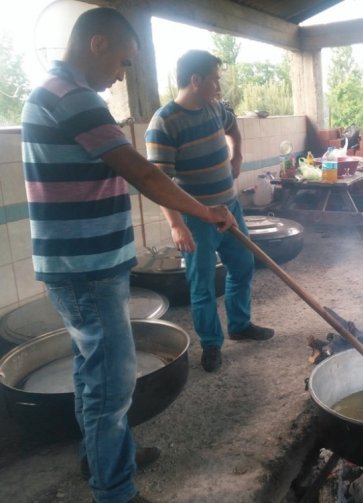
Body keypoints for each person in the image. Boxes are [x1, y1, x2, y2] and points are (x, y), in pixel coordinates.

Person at [20, 8, 236, 503]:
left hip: (83, 265)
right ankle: (114, 490)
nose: (121, 74)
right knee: (111, 386)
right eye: (122, 61)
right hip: (86, 270)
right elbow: (145, 174)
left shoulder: (57, 94)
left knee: (90, 372)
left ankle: (101, 455)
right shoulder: (73, 99)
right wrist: (203, 212)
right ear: (97, 44)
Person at [145, 50, 274, 374]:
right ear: (196, 80)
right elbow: (159, 183)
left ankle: (240, 325)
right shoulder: (164, 123)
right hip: (197, 216)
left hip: (229, 207)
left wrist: (237, 157)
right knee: (201, 283)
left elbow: (234, 130)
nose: (219, 86)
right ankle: (211, 344)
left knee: (243, 265)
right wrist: (176, 225)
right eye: (215, 79)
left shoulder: (216, 108)